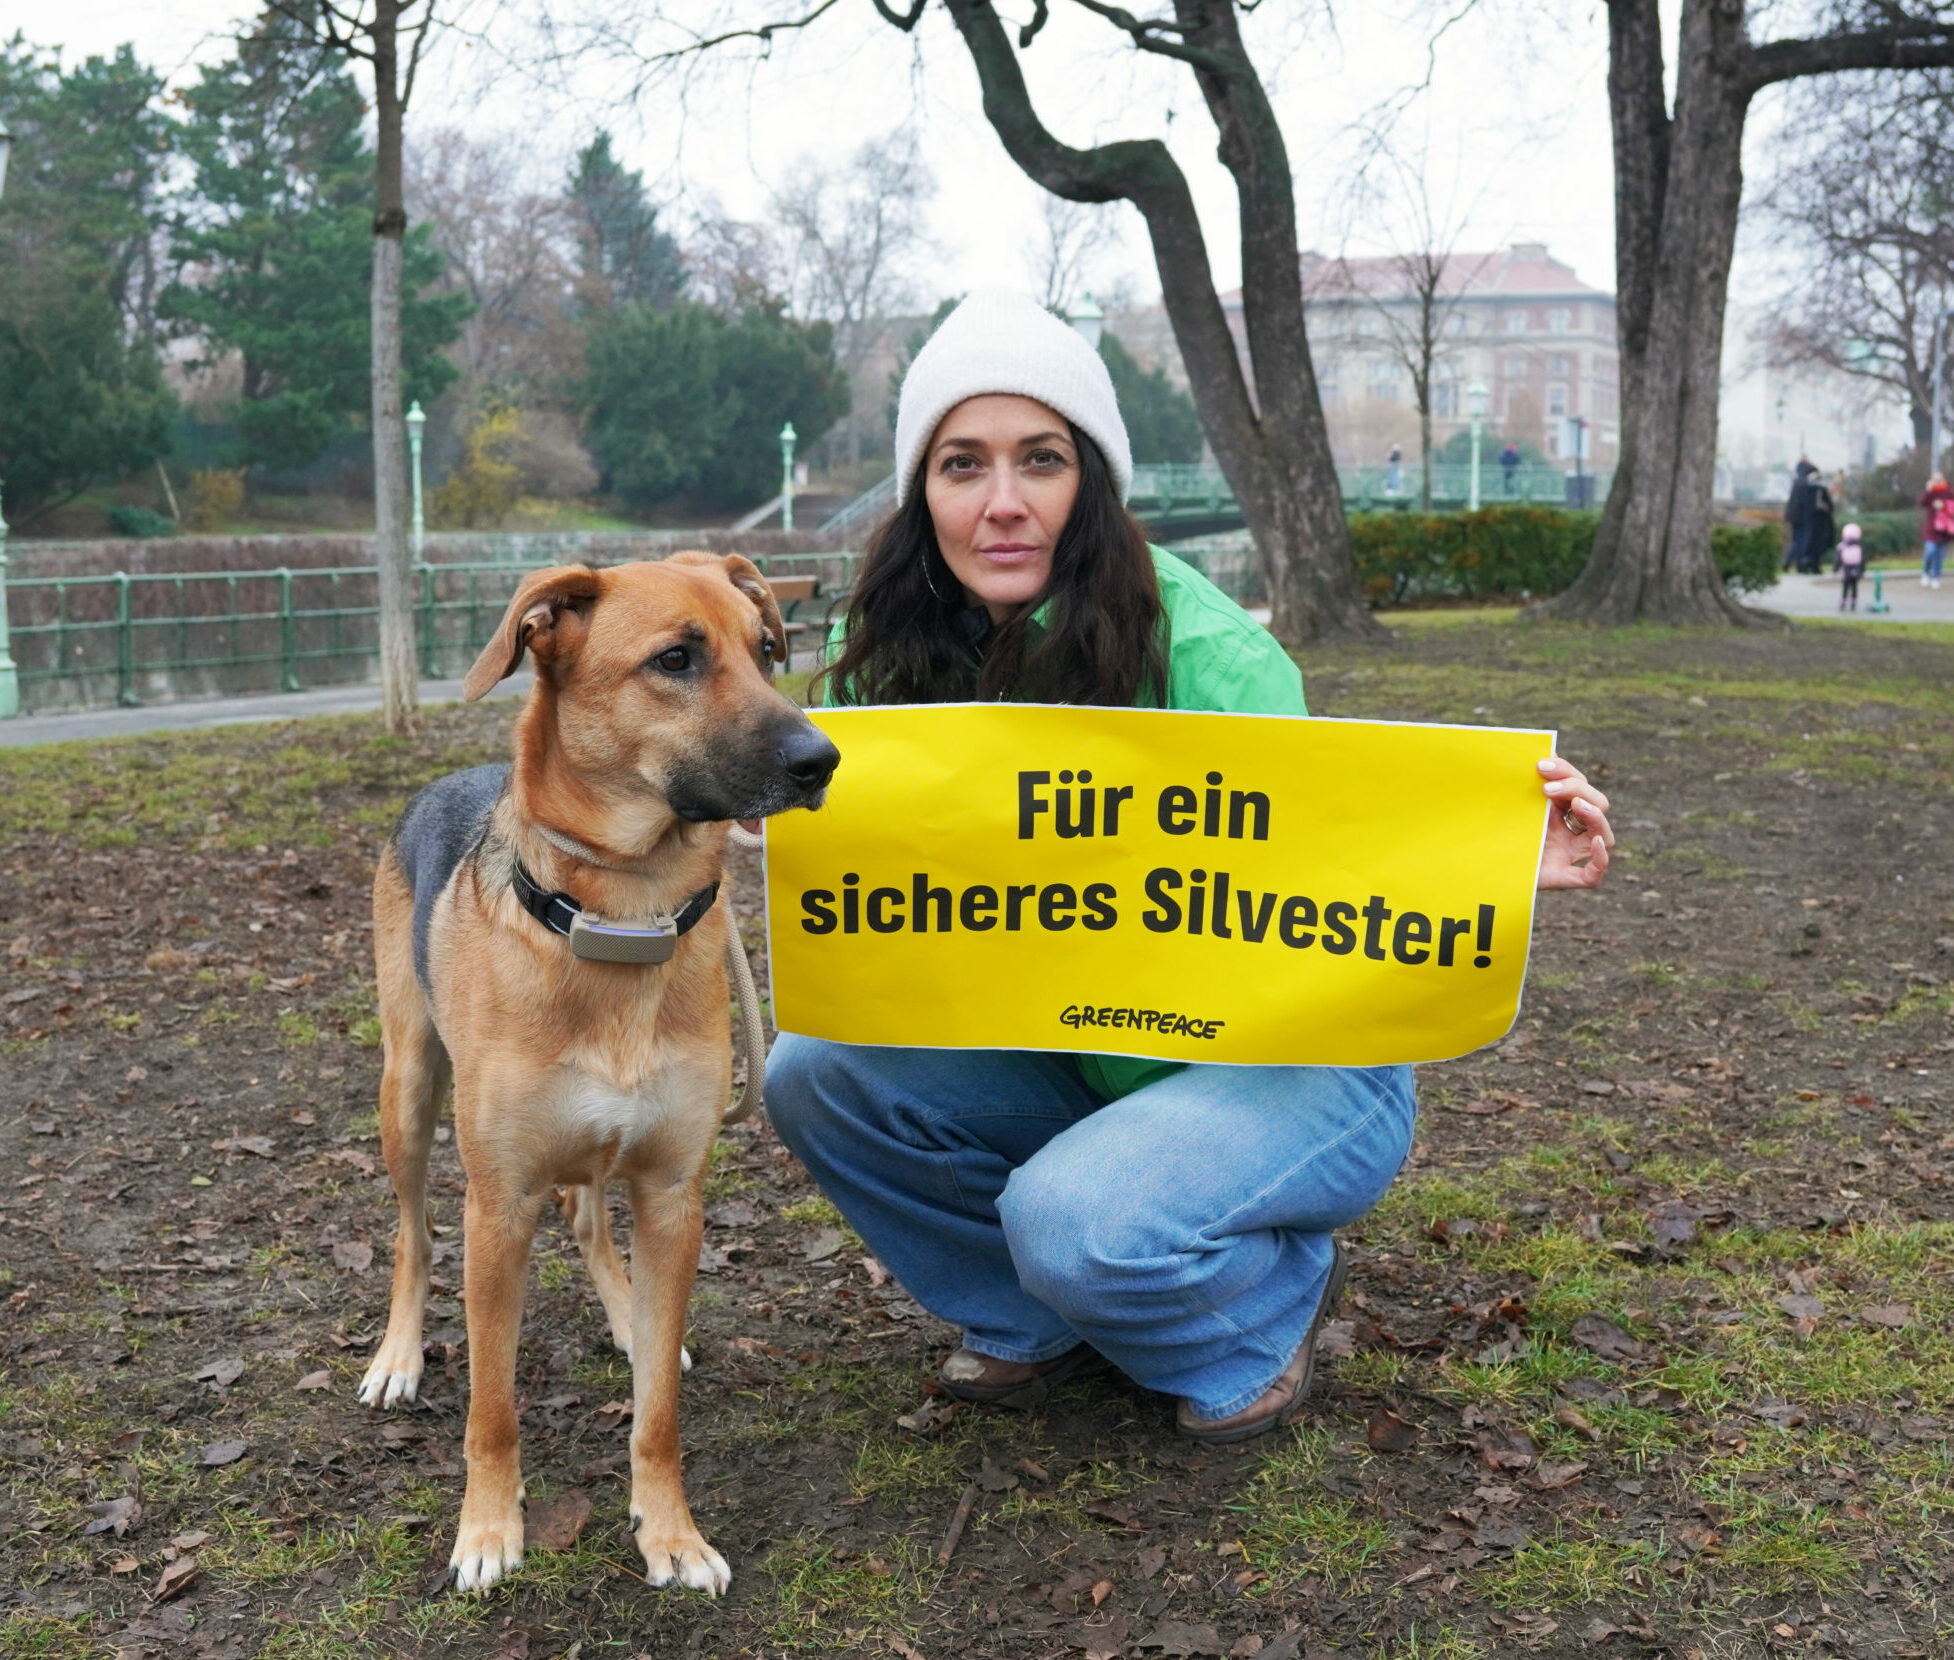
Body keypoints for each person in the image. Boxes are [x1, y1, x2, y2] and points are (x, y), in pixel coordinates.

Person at [766, 288, 1615, 1444]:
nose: (1002, 503)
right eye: (963, 465)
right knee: (814, 1069)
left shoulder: (1210, 651)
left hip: (1294, 1072)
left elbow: (1320, 872)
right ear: (923, 490)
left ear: (1094, 480)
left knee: (1076, 1220)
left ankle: (1261, 1312)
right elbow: (892, 900)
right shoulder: (886, 668)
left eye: (1041, 460)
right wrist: (792, 835)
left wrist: (1492, 861)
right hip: (1078, 1050)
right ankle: (1032, 1319)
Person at [1783, 459, 1820, 573]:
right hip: (1802, 519)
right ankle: (1790, 561)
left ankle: (1792, 562)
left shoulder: (1797, 482)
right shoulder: (1804, 484)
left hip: (1795, 518)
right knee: (1801, 541)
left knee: (1798, 541)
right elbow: (1806, 504)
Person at [1920, 472, 1953, 590]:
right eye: (1934, 479)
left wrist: (1943, 505)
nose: (1936, 481)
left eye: (1939, 479)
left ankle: (1936, 577)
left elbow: (1952, 505)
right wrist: (1927, 490)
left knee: (1939, 555)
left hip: (1944, 529)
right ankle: (1925, 572)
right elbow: (1922, 503)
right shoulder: (1930, 492)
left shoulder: (1948, 492)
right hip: (1931, 528)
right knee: (1930, 551)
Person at [1836, 521, 1865, 612]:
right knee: (1854, 586)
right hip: (1855, 569)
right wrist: (1862, 571)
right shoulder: (1859, 547)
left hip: (1845, 570)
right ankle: (1853, 601)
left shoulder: (1841, 546)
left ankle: (1844, 601)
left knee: (1846, 586)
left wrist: (1836, 568)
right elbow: (1862, 560)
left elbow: (1838, 559)